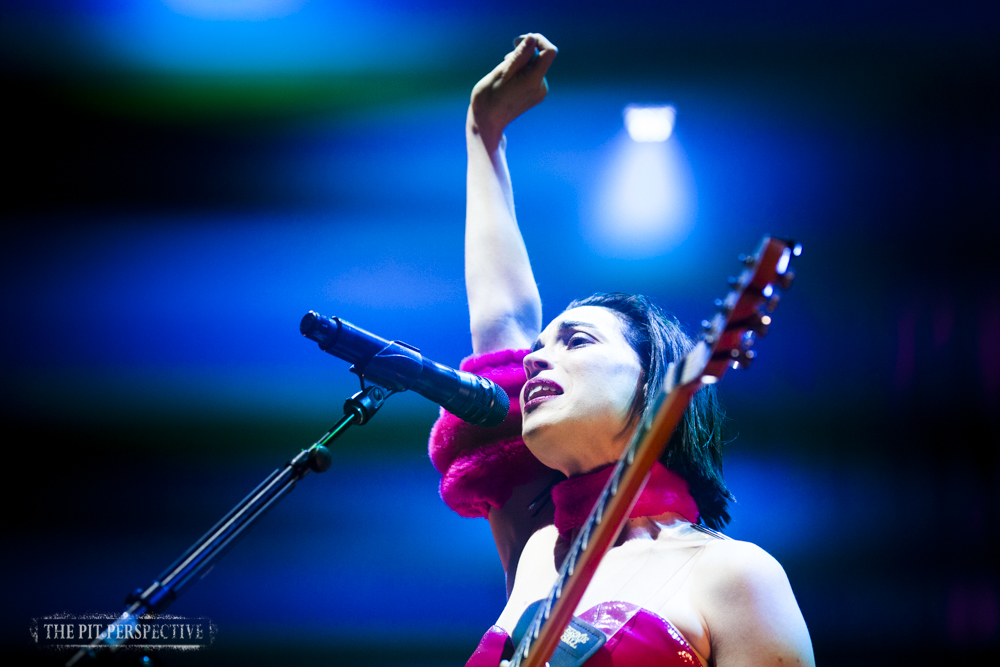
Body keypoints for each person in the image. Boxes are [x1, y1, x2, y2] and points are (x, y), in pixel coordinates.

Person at [428, 33, 815, 667]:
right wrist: (482, 134)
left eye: (576, 340)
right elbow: (501, 326)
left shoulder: (735, 574)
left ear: (655, 382)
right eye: (539, 349)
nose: (531, 360)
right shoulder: (539, 551)